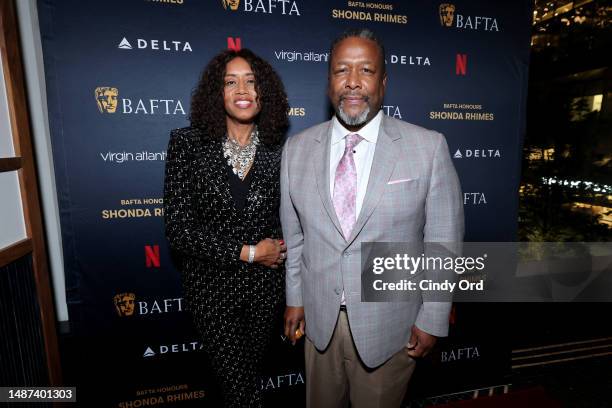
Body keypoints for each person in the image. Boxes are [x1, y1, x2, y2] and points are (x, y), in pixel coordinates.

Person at [281, 28, 464, 407]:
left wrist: (432, 317)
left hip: (390, 325)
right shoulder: (296, 150)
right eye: (341, 70)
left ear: (383, 81)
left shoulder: (428, 147)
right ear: (329, 79)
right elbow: (295, 238)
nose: (352, 82)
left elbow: (442, 241)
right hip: (319, 323)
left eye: (365, 70)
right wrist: (295, 299)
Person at [164, 48, 289, 407]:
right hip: (212, 292)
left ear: (264, 92)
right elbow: (179, 229)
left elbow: (293, 220)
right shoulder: (187, 144)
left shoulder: (280, 150)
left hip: (266, 293)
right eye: (230, 82)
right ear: (216, 93)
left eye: (251, 82)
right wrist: (249, 253)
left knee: (244, 381)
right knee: (242, 390)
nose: (242, 90)